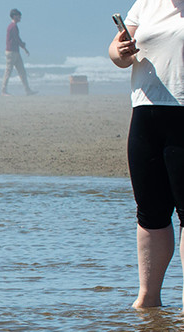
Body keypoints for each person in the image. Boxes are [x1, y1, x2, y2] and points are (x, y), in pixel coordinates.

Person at [109, 0, 184, 309]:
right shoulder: (146, 3)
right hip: (145, 112)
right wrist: (121, 49)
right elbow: (117, 54)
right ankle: (148, 299)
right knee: (150, 212)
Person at [1, 8, 36, 96]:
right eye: (18, 16)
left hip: (15, 52)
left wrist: (24, 48)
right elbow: (16, 39)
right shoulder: (12, 27)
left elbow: (17, 39)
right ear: (14, 16)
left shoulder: (14, 26)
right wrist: (24, 47)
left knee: (22, 71)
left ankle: (27, 90)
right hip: (11, 52)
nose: (20, 17)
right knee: (8, 71)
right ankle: (3, 91)